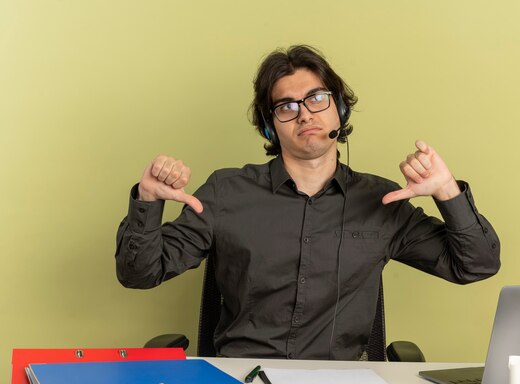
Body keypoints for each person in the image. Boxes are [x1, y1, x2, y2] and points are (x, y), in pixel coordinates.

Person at [116, 45, 500, 360]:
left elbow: (476, 265)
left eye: (316, 98)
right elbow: (140, 274)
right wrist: (148, 200)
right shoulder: (226, 192)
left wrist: (447, 191)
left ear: (340, 108)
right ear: (270, 126)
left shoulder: (381, 201)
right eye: (286, 106)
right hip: (245, 382)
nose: (304, 114)